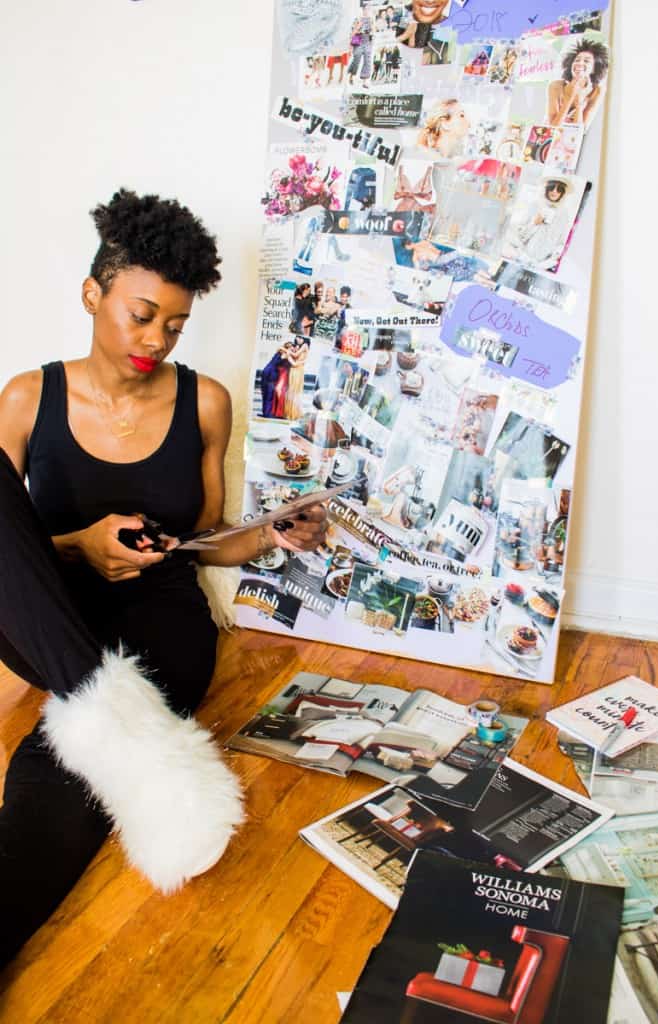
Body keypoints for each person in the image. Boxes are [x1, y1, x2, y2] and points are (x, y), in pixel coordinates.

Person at [0, 188, 327, 966]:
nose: (157, 338)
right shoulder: (25, 398)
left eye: (175, 324)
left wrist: (268, 536)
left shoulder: (203, 402)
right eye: (141, 314)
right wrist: (79, 543)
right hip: (49, 609)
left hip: (158, 618)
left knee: (55, 766)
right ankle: (143, 748)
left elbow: (204, 541)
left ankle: (113, 722)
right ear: (93, 294)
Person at [504, 175, 574, 270]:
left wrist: (551, 260)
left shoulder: (564, 214)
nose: (554, 191)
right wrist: (534, 223)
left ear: (563, 193)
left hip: (544, 264)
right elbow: (517, 232)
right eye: (552, 187)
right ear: (546, 189)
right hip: (522, 257)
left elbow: (561, 240)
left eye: (559, 189)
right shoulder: (535, 205)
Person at [546, 37, 609, 129]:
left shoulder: (597, 91)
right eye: (577, 60)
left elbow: (580, 131)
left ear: (594, 69)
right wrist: (569, 97)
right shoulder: (555, 86)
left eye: (586, 61)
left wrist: (579, 103)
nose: (579, 63)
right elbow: (552, 129)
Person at [283, 338, 311, 420]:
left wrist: (285, 350)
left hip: (298, 369)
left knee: (295, 390)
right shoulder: (298, 346)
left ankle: (294, 413)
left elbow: (295, 355)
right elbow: (294, 357)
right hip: (294, 369)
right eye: (297, 337)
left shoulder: (305, 345)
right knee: (292, 390)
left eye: (300, 338)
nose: (298, 339)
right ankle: (289, 412)